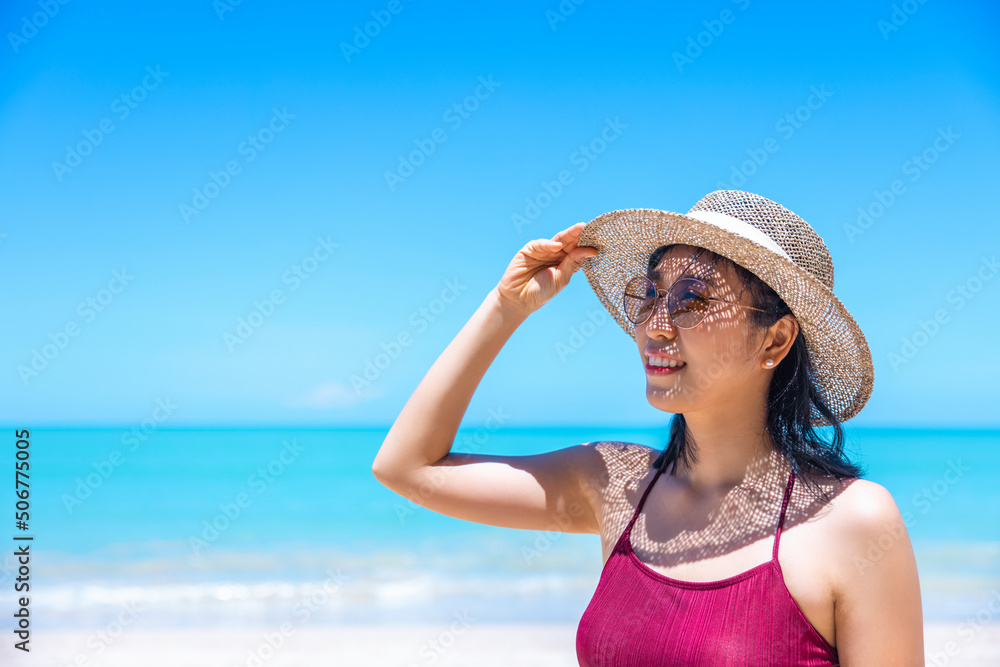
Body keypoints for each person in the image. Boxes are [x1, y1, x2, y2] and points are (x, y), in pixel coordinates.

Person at [372, 190, 924, 666]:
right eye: (651, 293)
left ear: (774, 341)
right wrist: (505, 308)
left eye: (693, 300)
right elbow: (407, 468)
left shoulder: (853, 521)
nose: (655, 327)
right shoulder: (615, 484)